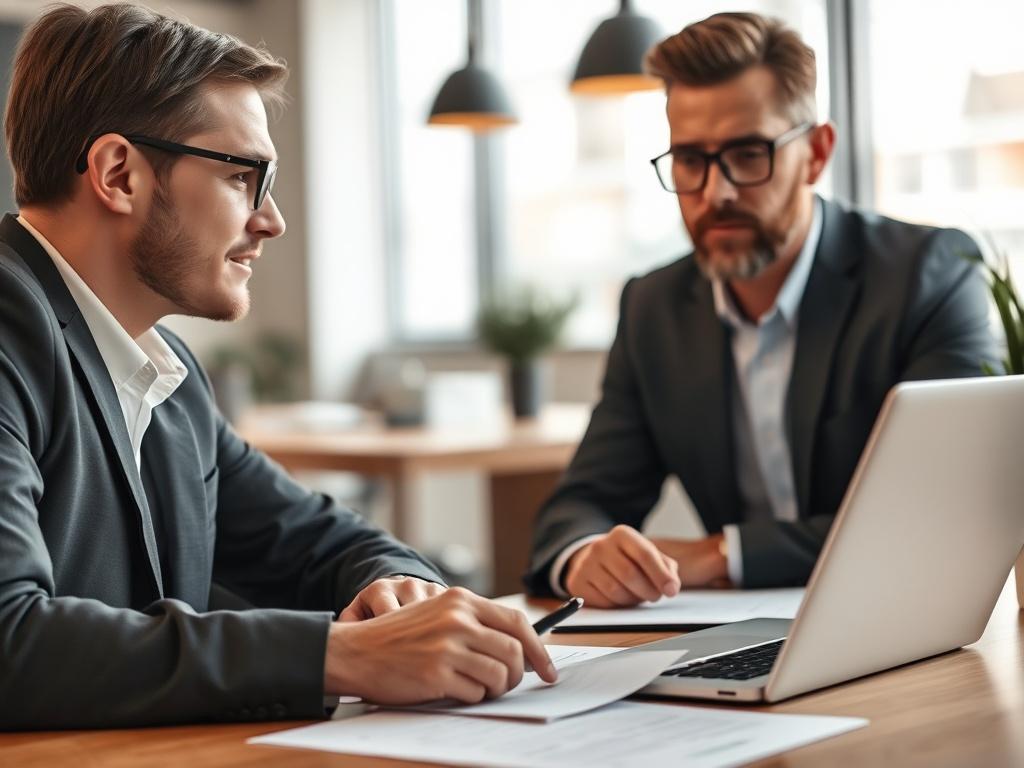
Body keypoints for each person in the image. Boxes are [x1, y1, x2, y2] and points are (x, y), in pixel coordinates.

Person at [0, 3, 554, 730]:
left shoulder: (165, 378)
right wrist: (342, 654)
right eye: (244, 178)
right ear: (118, 173)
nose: (272, 219)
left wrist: (398, 588)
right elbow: (12, 643)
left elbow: (318, 538)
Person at [526, 12, 998, 605]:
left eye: (748, 154)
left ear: (817, 153)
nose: (715, 192)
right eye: (690, 160)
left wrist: (723, 553)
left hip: (902, 619)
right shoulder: (654, 307)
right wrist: (586, 556)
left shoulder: (929, 274)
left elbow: (943, 509)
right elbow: (582, 502)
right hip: (727, 632)